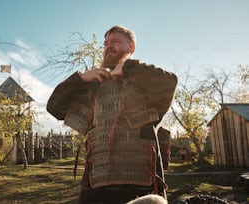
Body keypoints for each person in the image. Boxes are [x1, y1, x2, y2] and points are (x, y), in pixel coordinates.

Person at [47, 25, 178, 204]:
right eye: (106, 43)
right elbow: (55, 107)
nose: (109, 46)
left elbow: (169, 82)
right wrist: (80, 79)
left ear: (131, 48)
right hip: (96, 188)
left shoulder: (146, 84)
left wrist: (128, 68)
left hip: (141, 187)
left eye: (115, 41)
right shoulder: (93, 88)